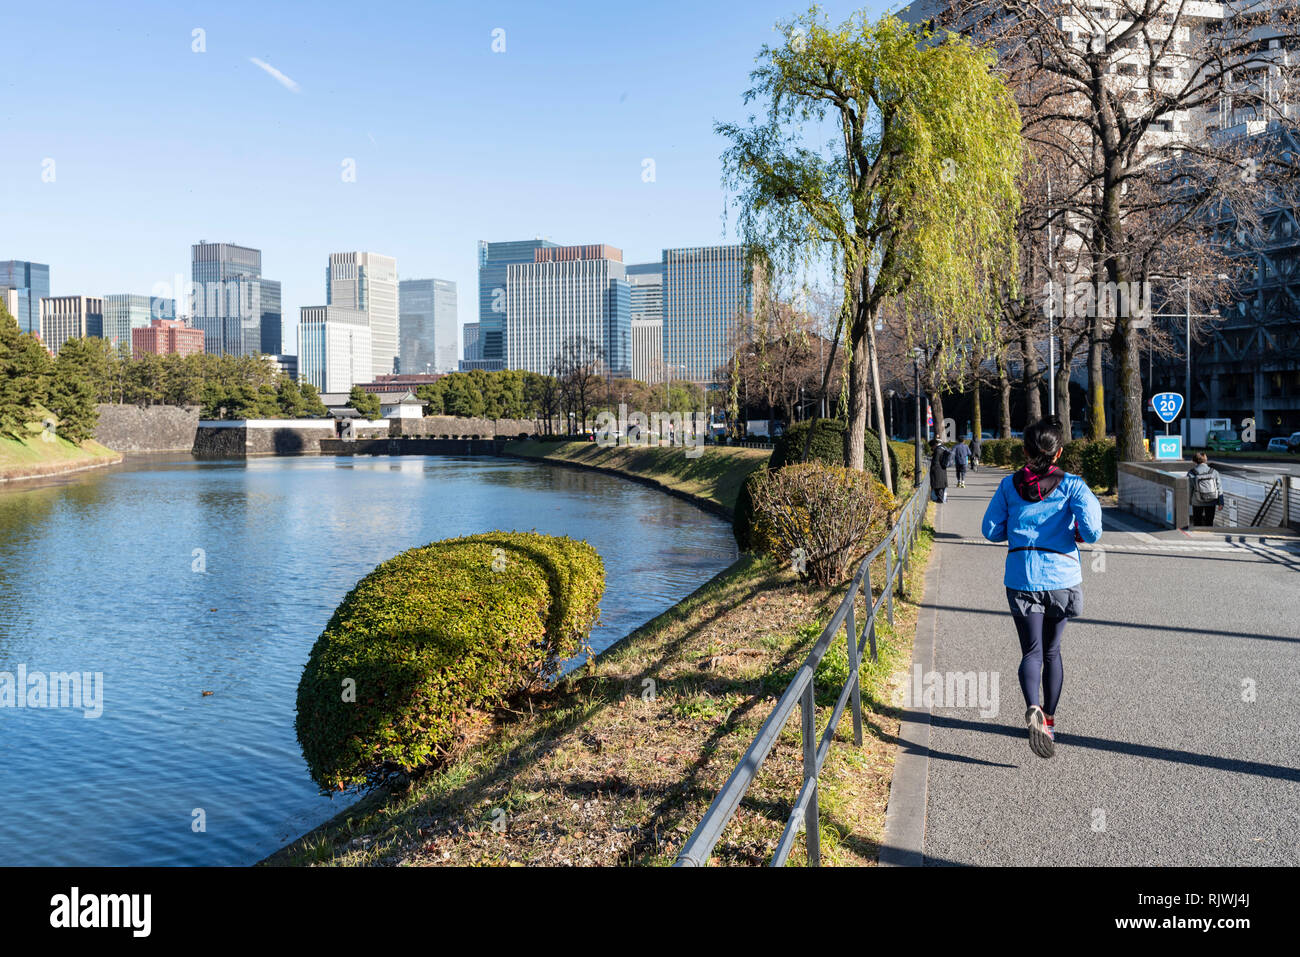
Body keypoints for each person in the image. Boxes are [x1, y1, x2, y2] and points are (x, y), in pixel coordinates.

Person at [981, 415, 1102, 760]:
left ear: (1023, 450)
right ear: (1058, 452)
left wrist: (1018, 533)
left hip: (1021, 577)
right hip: (1061, 578)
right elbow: (1092, 531)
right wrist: (1072, 532)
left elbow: (990, 530)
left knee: (1031, 652)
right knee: (1052, 651)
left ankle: (1031, 706)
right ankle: (1048, 719)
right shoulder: (1073, 485)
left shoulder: (1009, 486)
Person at [1186, 452, 1222, 527]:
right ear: (1206, 460)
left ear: (1194, 461)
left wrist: (1189, 501)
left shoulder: (1191, 473)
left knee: (1197, 521)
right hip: (1212, 500)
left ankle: (1198, 536)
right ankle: (1209, 536)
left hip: (1197, 501)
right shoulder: (1213, 472)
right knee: (1209, 521)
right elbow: (1219, 488)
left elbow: (1189, 489)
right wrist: (1221, 502)